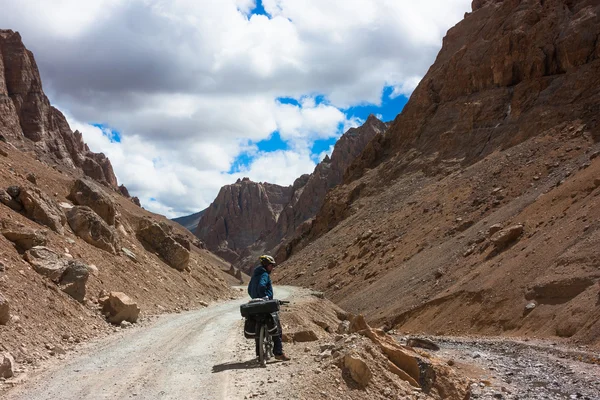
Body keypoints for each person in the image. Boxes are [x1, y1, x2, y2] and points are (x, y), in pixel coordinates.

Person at [247, 255, 290, 361]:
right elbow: (262, 286)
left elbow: (249, 289)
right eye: (271, 265)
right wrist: (265, 297)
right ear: (266, 265)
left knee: (258, 326)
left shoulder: (255, 275)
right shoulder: (264, 274)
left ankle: (259, 354)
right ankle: (278, 353)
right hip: (264, 303)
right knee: (276, 327)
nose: (272, 268)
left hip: (254, 304)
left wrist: (255, 298)